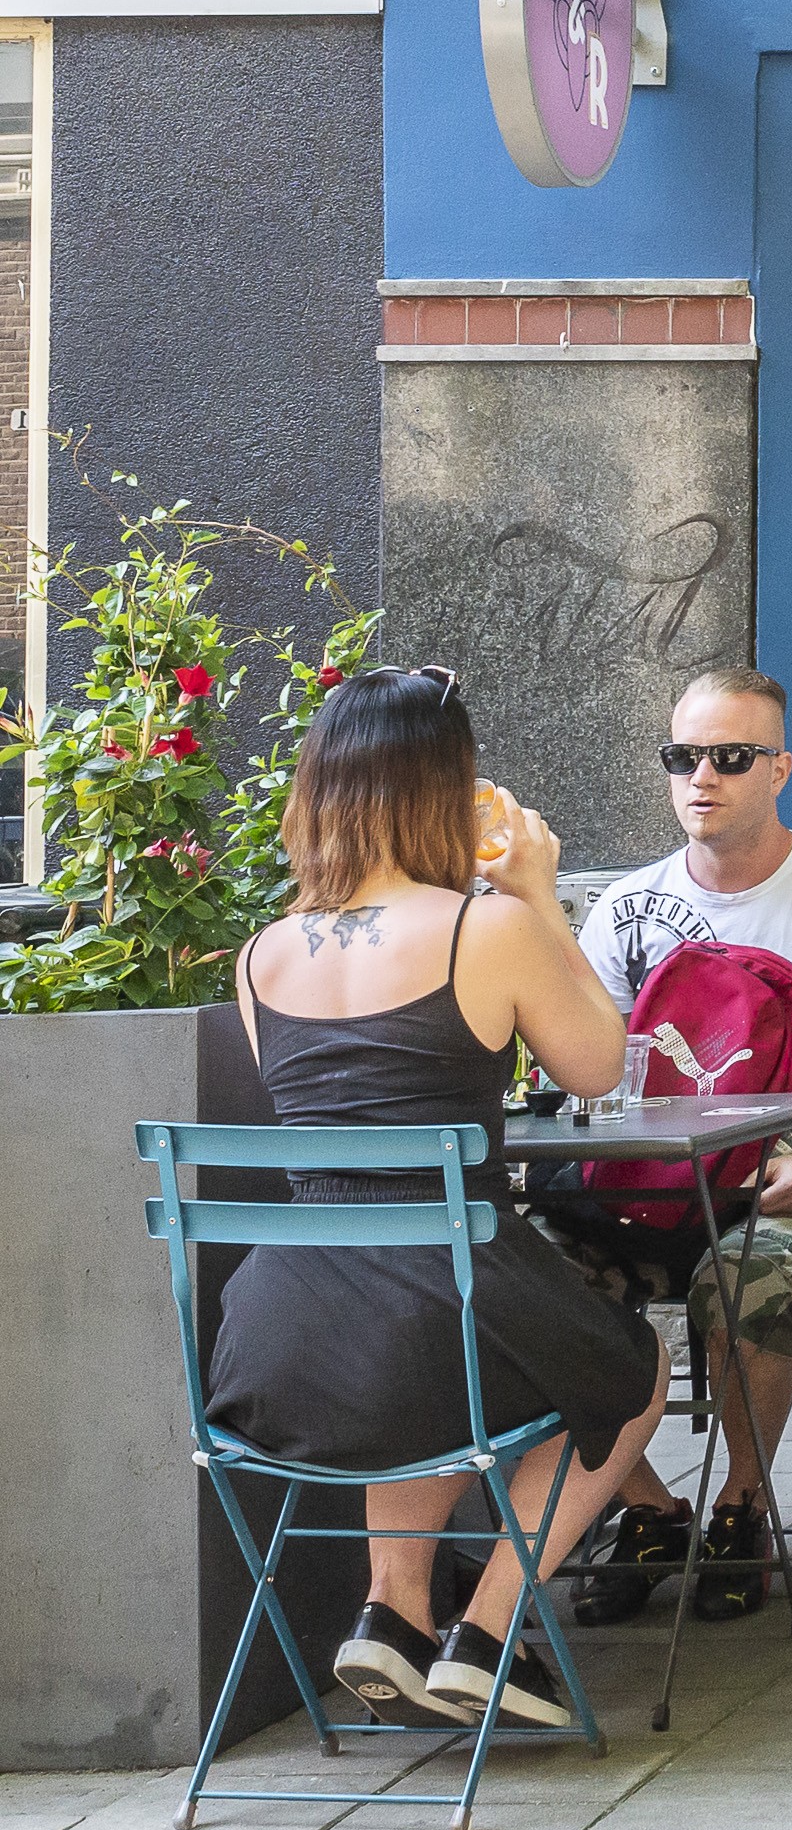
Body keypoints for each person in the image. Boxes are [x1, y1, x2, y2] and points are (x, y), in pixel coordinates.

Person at [208, 669, 666, 1732]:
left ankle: (392, 1611)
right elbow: (598, 1066)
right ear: (443, 792)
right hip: (445, 1297)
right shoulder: (483, 928)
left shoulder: (260, 953)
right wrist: (538, 895)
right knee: (634, 1370)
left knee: (412, 1355)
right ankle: (490, 1633)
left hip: (278, 1330)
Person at [562, 668, 792, 1627]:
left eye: (731, 757)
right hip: (645, 1179)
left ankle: (741, 1509)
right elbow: (586, 1071)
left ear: (779, 769)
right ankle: (646, 1508)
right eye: (683, 757)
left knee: (745, 1275)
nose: (701, 777)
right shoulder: (627, 905)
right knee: (520, 1277)